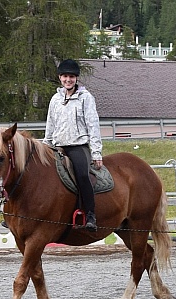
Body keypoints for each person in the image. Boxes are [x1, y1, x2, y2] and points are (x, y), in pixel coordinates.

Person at [43, 59, 103, 232]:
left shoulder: (86, 98)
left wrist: (97, 152)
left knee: (82, 175)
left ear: (76, 78)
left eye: (71, 77)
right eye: (64, 76)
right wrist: (46, 145)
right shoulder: (55, 99)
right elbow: (50, 124)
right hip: (57, 146)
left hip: (78, 146)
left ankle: (90, 214)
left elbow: (93, 125)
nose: (68, 80)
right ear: (60, 78)